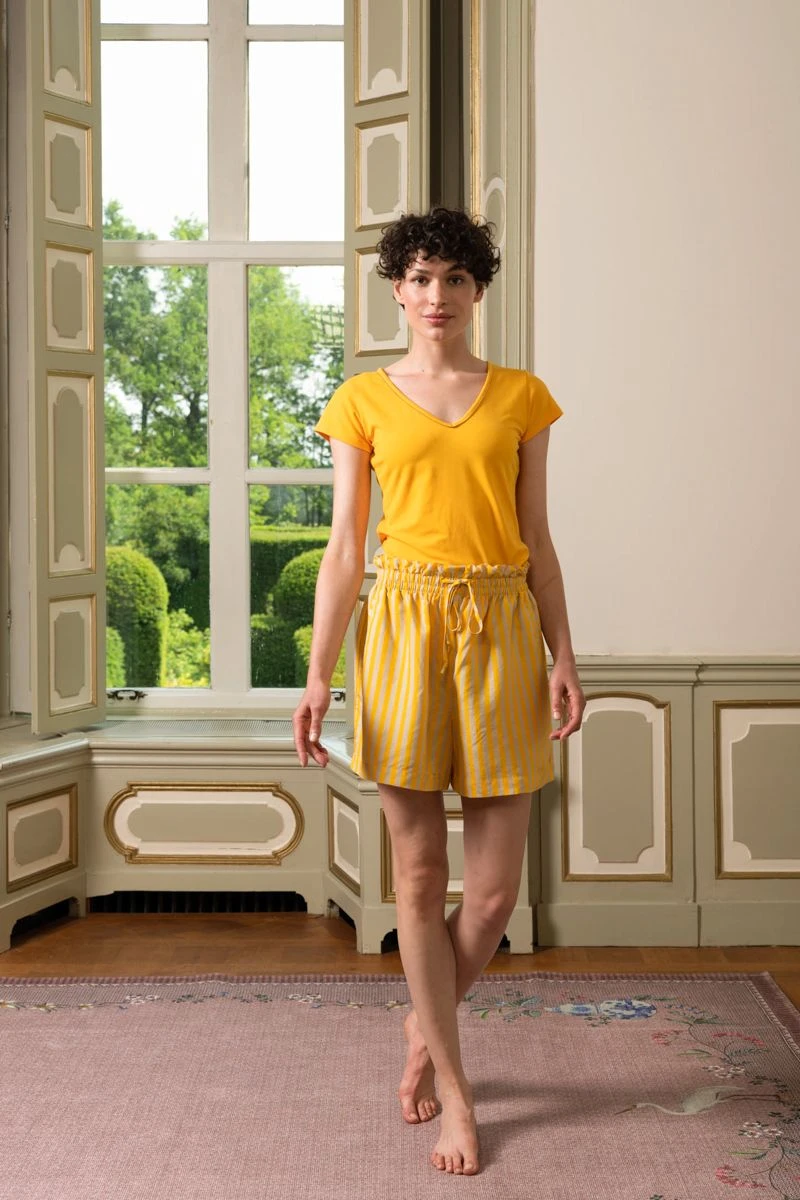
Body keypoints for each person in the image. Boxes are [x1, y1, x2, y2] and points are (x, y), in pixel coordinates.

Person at [292, 206, 585, 1177]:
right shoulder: (361, 400)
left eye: (455, 278)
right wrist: (318, 674)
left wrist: (563, 654)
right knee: (417, 879)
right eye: (419, 278)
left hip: (500, 625)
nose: (436, 296)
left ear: (477, 290)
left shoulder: (522, 398)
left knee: (492, 893)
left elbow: (537, 540)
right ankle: (457, 1094)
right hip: (402, 627)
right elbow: (344, 549)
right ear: (395, 289)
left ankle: (423, 1027)